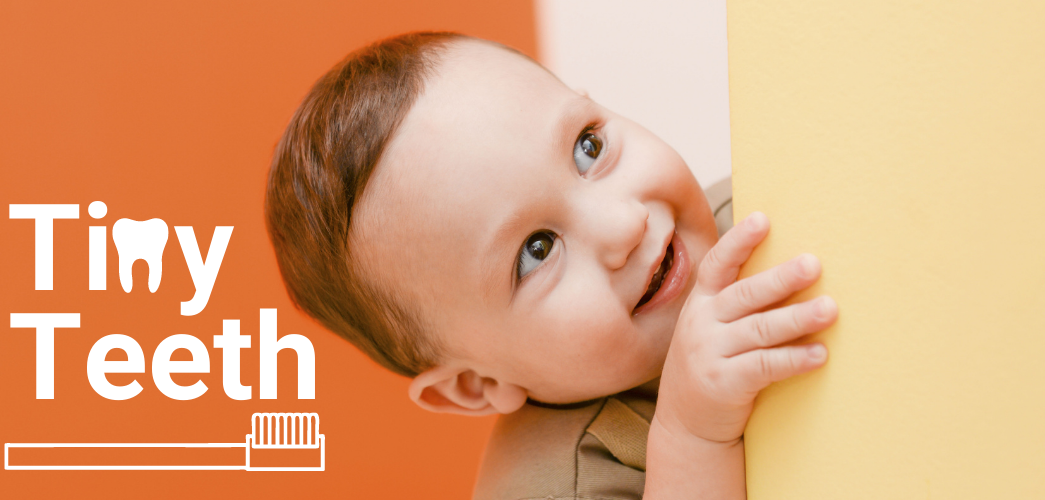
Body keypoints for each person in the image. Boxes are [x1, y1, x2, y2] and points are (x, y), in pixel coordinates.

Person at [265, 32, 838, 499]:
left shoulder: (754, 215)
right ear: (477, 384)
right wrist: (692, 437)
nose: (623, 224)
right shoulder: (556, 483)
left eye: (588, 148)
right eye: (536, 250)